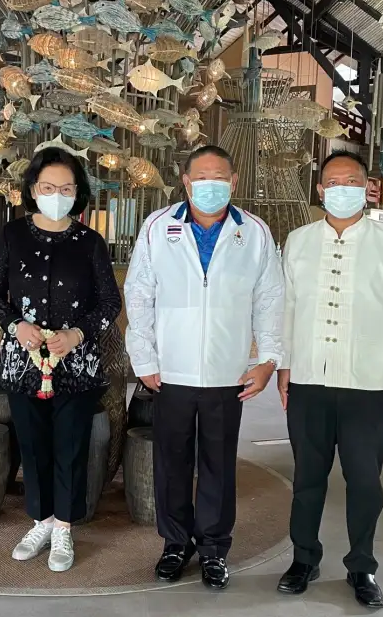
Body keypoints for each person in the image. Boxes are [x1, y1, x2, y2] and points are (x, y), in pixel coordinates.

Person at [124, 145, 284, 590]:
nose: (210, 185)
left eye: (220, 177)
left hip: (227, 372)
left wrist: (268, 360)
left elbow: (270, 300)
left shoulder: (254, 232)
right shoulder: (158, 227)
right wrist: (144, 357)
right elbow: (139, 294)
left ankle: (214, 548)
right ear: (186, 182)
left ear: (234, 182)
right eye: (201, 177)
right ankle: (176, 543)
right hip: (170, 372)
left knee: (218, 463)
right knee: (171, 461)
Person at [275, 151, 383, 609]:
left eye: (352, 181)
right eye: (333, 182)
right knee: (307, 478)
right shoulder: (298, 241)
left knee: (364, 482)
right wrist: (284, 364)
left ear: (367, 189)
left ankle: (362, 566)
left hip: (368, 383)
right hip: (309, 379)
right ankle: (304, 558)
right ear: (320, 190)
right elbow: (287, 307)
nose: (342, 189)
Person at [0, 148, 121, 573]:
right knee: (33, 444)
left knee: (70, 446)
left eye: (66, 188)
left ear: (77, 193)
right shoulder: (12, 235)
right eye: (48, 187)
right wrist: (14, 325)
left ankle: (64, 527)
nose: (56, 195)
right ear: (33, 190)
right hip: (23, 364)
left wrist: (77, 334)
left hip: (76, 366)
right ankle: (40, 522)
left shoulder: (90, 242)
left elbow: (109, 302)